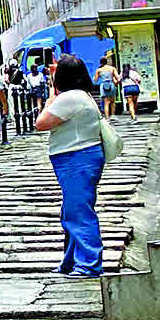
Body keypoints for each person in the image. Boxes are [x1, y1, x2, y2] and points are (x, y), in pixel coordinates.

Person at [33, 56, 106, 278]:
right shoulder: (83, 95)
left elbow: (41, 123)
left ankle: (89, 263)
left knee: (79, 211)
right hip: (81, 156)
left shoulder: (69, 98)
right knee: (72, 209)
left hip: (76, 157)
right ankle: (72, 260)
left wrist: (50, 96)